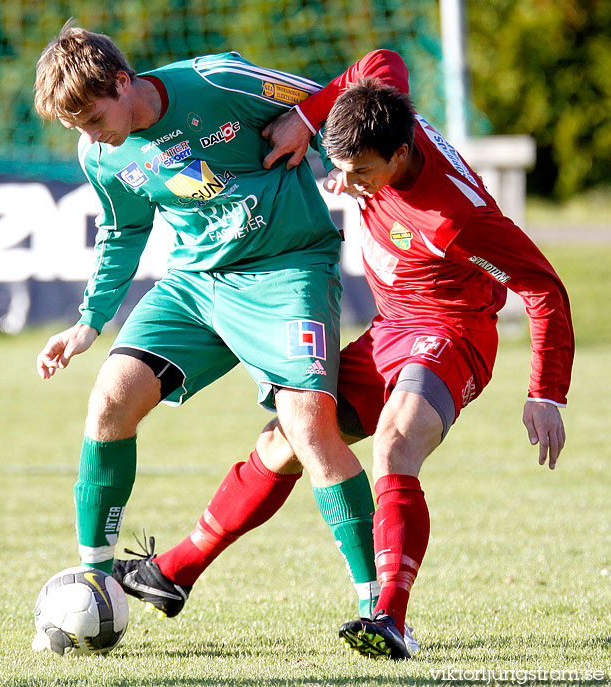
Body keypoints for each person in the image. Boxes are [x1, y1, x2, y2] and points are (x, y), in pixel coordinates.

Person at [126, 49, 573, 661]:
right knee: (289, 439)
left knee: (396, 443)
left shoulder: (454, 218)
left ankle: (388, 617)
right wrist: (309, 118)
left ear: (401, 153)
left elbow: (543, 289)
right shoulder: (379, 118)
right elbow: (382, 59)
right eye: (340, 168)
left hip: (451, 331)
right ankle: (174, 571)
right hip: (391, 329)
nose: (347, 182)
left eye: (360, 172)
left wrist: (545, 392)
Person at [32, 24, 384, 646]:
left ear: (123, 81)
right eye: (76, 128)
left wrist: (305, 117)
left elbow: (345, 94)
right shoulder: (101, 154)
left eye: (93, 117)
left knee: (308, 427)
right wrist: (89, 322)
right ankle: (93, 581)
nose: (90, 136)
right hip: (195, 282)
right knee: (110, 399)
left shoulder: (216, 80)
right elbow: (122, 231)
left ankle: (379, 607)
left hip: (288, 268)